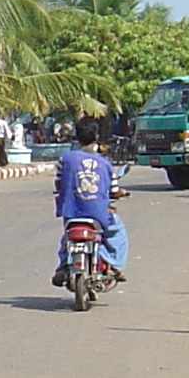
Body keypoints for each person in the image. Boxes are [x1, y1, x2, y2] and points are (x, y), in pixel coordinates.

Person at [51, 116, 128, 284]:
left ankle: (63, 266)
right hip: (97, 213)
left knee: (67, 236)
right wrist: (120, 192)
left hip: (71, 211)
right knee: (117, 231)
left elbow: (58, 183)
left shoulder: (65, 159)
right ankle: (113, 264)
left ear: (76, 137)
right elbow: (113, 190)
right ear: (97, 137)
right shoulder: (105, 163)